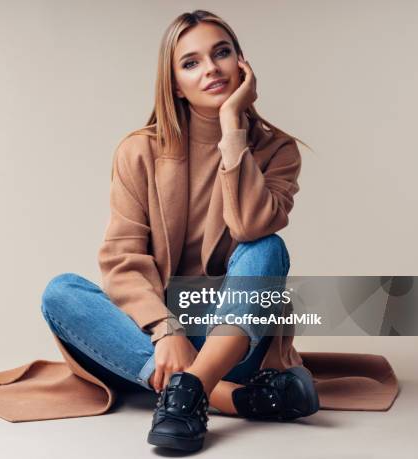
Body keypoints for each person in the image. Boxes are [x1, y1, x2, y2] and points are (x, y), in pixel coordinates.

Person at [40, 10, 318, 453]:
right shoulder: (139, 151)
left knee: (267, 246)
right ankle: (226, 397)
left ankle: (189, 392)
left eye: (221, 53)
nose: (210, 68)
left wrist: (232, 126)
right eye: (190, 62)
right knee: (60, 293)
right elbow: (123, 259)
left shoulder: (277, 150)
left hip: (232, 337)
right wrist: (165, 328)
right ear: (173, 83)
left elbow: (249, 225)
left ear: (242, 65)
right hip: (155, 335)